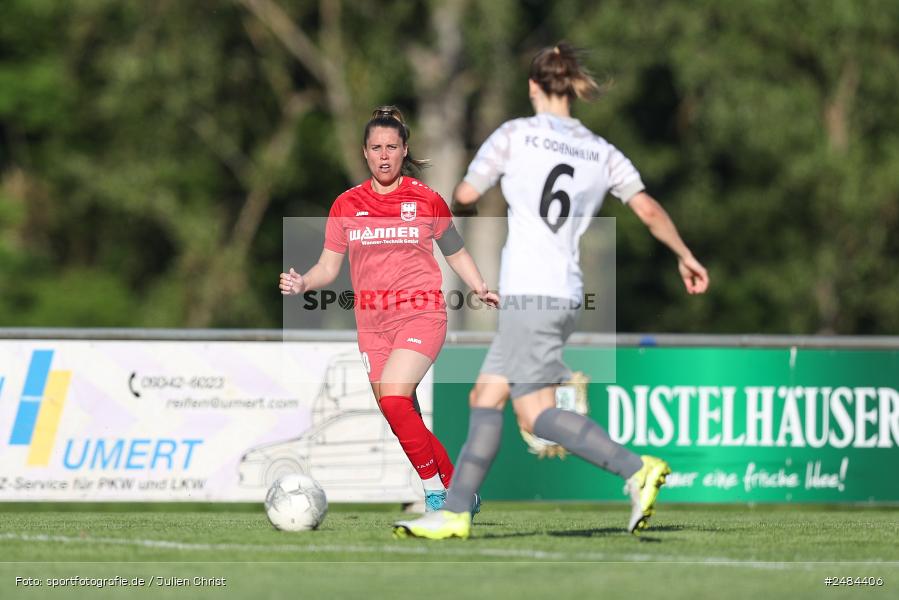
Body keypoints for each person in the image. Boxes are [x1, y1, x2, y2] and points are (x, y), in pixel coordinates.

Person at [393, 43, 709, 539]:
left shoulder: (515, 135)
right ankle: (460, 511)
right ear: (573, 89)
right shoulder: (601, 151)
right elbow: (646, 208)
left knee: (507, 403)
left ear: (533, 87)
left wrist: (469, 209)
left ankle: (460, 512)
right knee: (514, 405)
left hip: (530, 294)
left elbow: (467, 194)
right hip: (564, 296)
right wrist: (684, 254)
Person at [280, 106, 498, 511]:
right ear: (365, 153)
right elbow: (328, 267)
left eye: (391, 147)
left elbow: (455, 251)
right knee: (400, 414)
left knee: (395, 399)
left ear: (404, 151)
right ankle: (460, 492)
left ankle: (435, 495)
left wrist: (479, 285)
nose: (384, 155)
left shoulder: (425, 198)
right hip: (372, 326)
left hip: (421, 314)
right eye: (376, 147)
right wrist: (304, 282)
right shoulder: (346, 205)